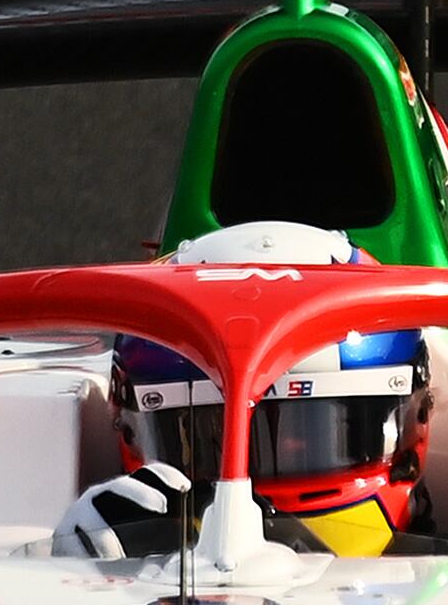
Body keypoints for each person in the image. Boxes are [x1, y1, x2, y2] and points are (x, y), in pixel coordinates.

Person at [56, 218, 426, 560]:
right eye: (208, 438)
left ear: (413, 425)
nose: (247, 486)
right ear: (131, 431)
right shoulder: (118, 533)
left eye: (308, 436)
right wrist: (69, 578)